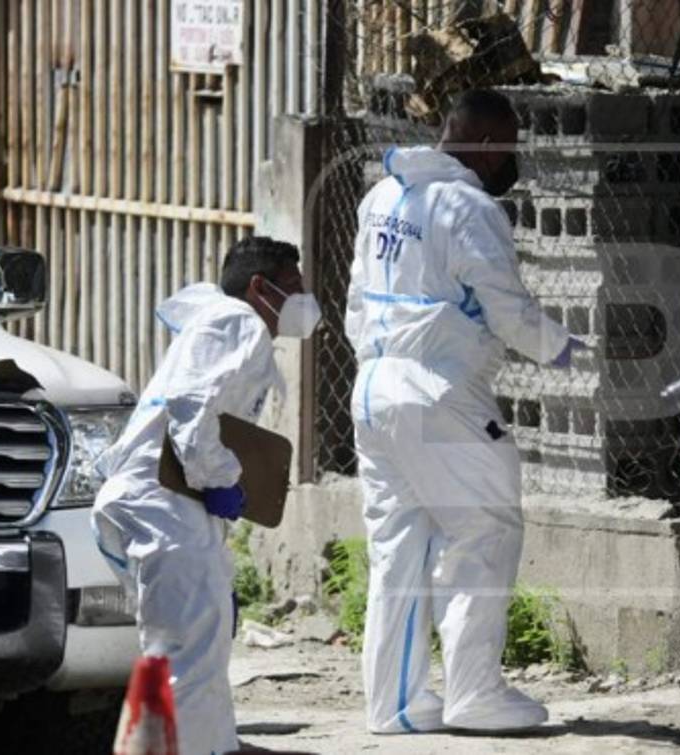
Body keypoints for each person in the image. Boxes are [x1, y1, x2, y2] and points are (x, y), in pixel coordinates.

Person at [345, 88, 582, 734]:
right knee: (485, 529)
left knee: (399, 545)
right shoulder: (469, 207)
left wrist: (380, 363)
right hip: (440, 392)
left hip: (374, 387)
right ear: (482, 143)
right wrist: (557, 346)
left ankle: (393, 703)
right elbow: (505, 307)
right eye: (507, 147)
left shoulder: (381, 195)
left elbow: (356, 301)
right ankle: (474, 691)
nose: (512, 162)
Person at [92, 236, 321, 755]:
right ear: (259, 288)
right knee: (190, 656)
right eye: (294, 286)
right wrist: (219, 480)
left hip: (153, 504)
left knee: (180, 649)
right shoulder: (239, 321)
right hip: (165, 504)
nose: (305, 296)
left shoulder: (216, 321)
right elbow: (192, 410)